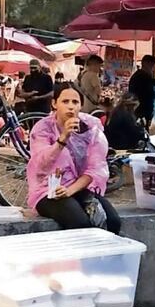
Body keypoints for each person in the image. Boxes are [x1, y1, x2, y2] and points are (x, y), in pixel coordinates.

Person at [26, 84, 120, 234]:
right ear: (54, 103)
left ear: (81, 106)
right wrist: (63, 139)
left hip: (78, 187)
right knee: (79, 223)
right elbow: (40, 165)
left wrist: (70, 190)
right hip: (48, 190)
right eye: (65, 101)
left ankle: (103, 256)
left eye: (75, 102)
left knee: (113, 221)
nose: (71, 107)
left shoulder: (90, 128)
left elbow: (95, 168)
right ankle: (77, 257)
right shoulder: (43, 128)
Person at [128, 54, 155, 128]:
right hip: (141, 110)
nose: (152, 68)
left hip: (141, 109)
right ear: (145, 64)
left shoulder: (141, 75)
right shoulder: (141, 76)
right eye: (151, 65)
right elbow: (149, 92)